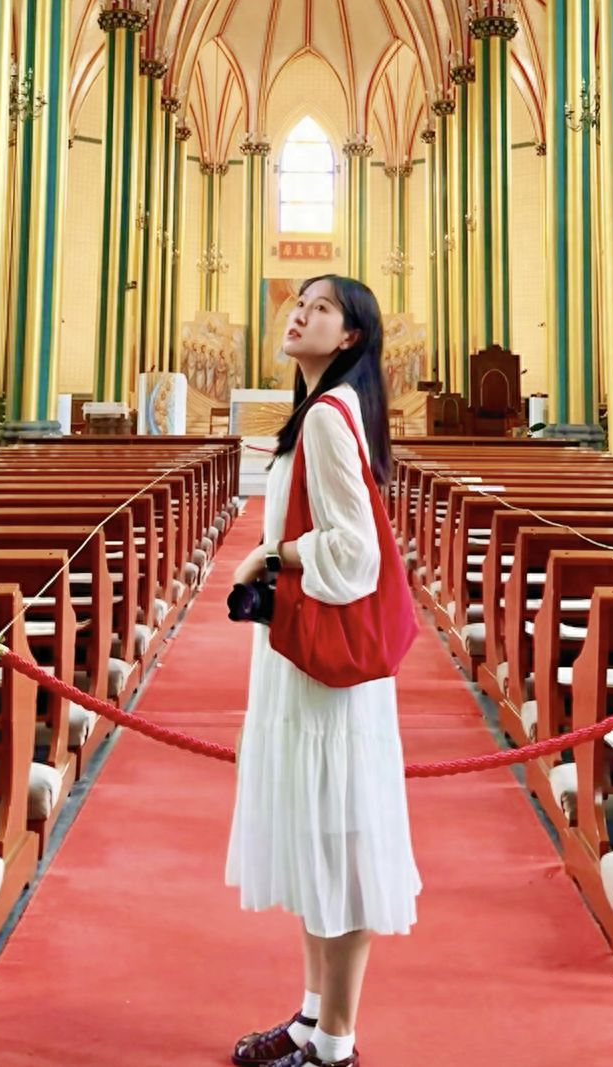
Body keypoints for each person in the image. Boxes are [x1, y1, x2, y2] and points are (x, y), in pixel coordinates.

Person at [226, 275, 420, 1067]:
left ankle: (336, 1043)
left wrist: (273, 553)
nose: (299, 312)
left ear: (349, 338)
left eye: (322, 307)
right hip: (300, 661)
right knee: (314, 837)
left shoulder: (332, 420)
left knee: (338, 842)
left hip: (329, 674)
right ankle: (310, 1016)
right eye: (297, 301)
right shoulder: (315, 415)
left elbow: (357, 554)